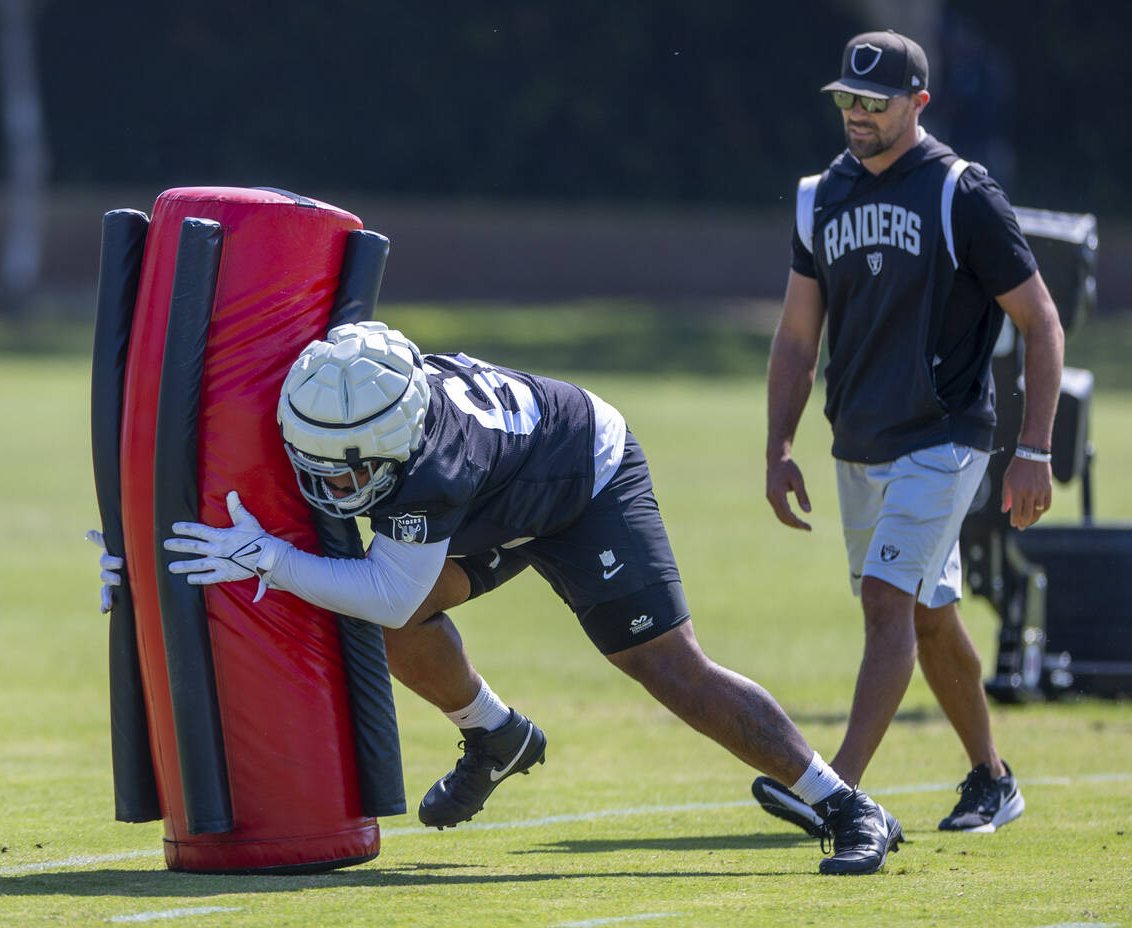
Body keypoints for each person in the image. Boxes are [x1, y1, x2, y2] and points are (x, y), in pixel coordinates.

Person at [95, 320, 903, 874]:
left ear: (395, 444)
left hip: (582, 480)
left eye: (347, 472)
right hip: (498, 493)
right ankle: (495, 735)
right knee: (366, 612)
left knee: (666, 667)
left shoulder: (433, 463)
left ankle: (843, 805)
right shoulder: (354, 409)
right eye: (319, 466)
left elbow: (383, 590)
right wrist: (138, 560)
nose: (329, 487)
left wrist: (270, 556)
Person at [757, 29, 1063, 838]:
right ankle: (992, 780)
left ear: (918, 104)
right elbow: (795, 338)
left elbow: (1041, 322)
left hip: (946, 435)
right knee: (928, 615)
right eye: (846, 100)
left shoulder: (964, 191)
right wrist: (778, 447)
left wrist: (1033, 449)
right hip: (858, 440)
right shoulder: (817, 195)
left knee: (889, 604)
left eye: (875, 102)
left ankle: (832, 789)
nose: (857, 114)